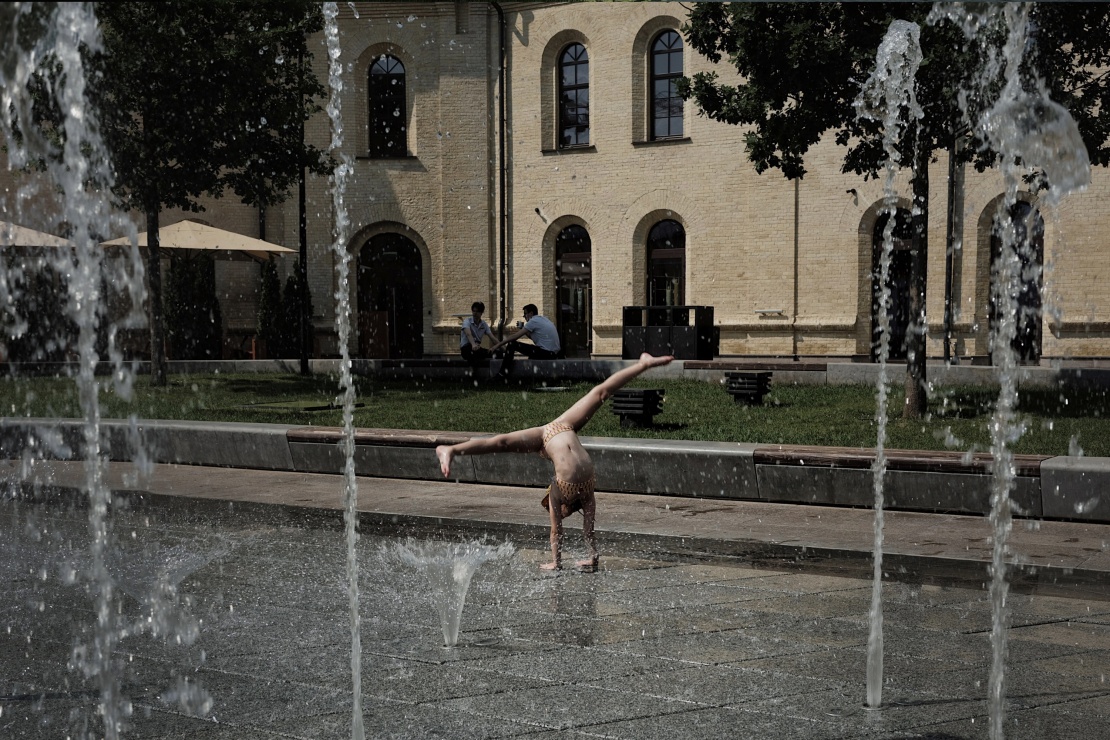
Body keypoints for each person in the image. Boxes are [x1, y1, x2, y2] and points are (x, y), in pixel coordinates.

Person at [436, 353, 674, 571]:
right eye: (556, 510)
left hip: (550, 432)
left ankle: (643, 364)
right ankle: (451, 450)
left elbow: (556, 530)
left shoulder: (558, 492)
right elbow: (585, 531)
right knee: (599, 394)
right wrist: (592, 557)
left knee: (504, 443)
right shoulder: (583, 495)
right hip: (561, 430)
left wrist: (555, 562)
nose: (554, 511)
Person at [489, 303, 560, 378]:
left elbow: (514, 337)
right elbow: (536, 338)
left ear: (531, 313)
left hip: (546, 353)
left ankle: (502, 374)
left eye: (525, 314)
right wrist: (524, 329)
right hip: (553, 354)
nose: (525, 317)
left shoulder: (532, 321)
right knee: (531, 354)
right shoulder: (544, 319)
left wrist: (496, 346)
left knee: (512, 344)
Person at [459, 301, 493, 368]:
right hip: (466, 349)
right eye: (473, 311)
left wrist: (502, 347)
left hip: (477, 349)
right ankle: (473, 374)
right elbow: (468, 334)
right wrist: (473, 344)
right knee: (473, 354)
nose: (474, 313)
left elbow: (492, 337)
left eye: (477, 312)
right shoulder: (467, 321)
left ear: (481, 313)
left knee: (495, 353)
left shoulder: (483, 324)